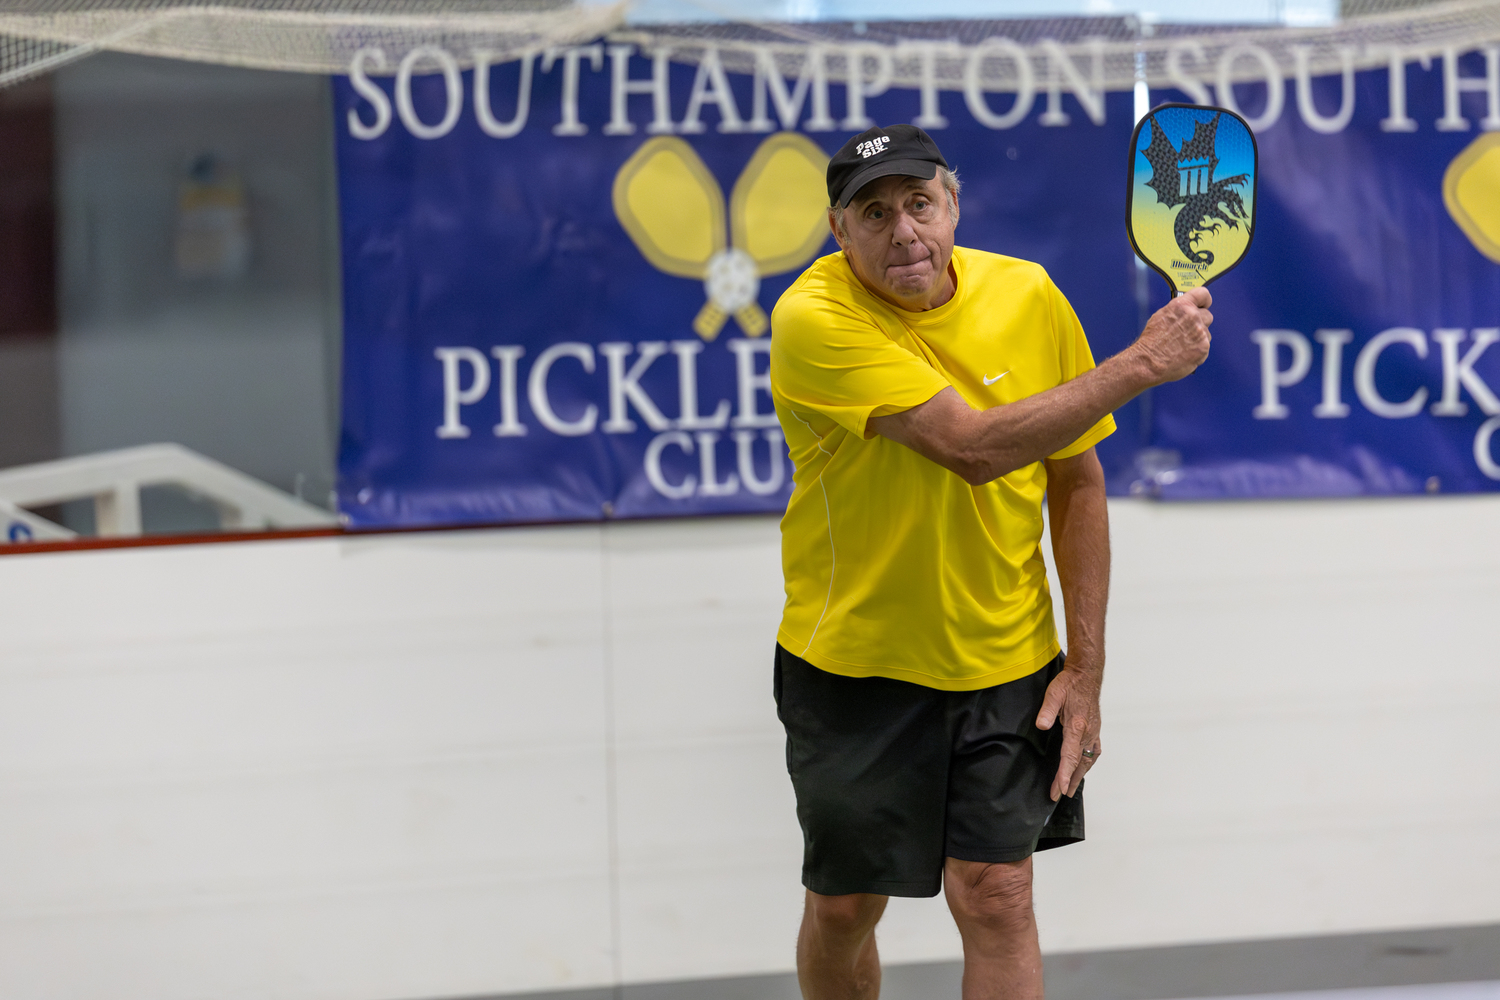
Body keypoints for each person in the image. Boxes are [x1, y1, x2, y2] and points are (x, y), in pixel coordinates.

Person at [767, 124, 1213, 1000]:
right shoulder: (812, 320)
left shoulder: (1028, 294)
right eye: (876, 212)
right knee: (845, 908)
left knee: (1000, 894)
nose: (905, 231)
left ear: (954, 205)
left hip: (1007, 659)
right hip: (857, 666)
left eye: (921, 204)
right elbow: (971, 447)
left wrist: (1085, 667)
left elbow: (1077, 480)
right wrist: (1142, 365)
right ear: (837, 228)